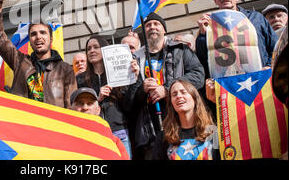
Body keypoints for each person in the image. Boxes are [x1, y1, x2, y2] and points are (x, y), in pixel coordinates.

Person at [124, 12, 205, 160]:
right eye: (148, 25)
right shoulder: (134, 59)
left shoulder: (180, 49)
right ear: (144, 32)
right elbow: (128, 102)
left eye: (156, 24)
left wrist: (167, 89)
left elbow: (198, 76)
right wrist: (142, 89)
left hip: (181, 128)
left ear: (164, 30)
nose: (152, 27)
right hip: (149, 135)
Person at [0, 0, 77, 108]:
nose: (38, 37)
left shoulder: (65, 70)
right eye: (33, 34)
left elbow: (71, 106)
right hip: (23, 123)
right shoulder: (20, 63)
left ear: (51, 39)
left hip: (52, 124)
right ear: (30, 41)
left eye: (43, 33)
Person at [196, 0, 278, 76]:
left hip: (260, 79)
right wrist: (202, 34)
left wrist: (269, 66)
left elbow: (276, 47)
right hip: (226, 85)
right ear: (215, 0)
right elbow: (202, 60)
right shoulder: (209, 24)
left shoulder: (256, 18)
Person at [76, 35, 138, 159]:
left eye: (95, 47)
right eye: (88, 49)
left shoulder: (119, 74)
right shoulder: (80, 79)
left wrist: (135, 78)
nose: (91, 51)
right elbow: (77, 106)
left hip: (118, 133)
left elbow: (128, 104)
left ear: (105, 49)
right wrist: (96, 99)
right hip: (93, 134)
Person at [153, 79, 219, 160]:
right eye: (174, 94)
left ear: (194, 98)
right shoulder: (163, 137)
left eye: (183, 92)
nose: (179, 96)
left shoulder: (213, 132)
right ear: (171, 103)